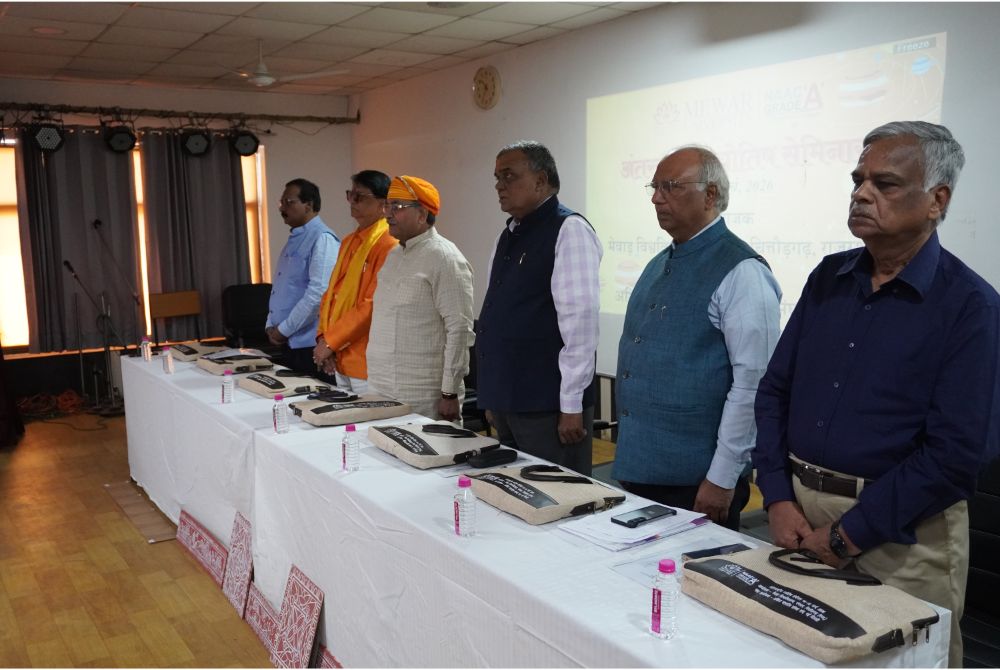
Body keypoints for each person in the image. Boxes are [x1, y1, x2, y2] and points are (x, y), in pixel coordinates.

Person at [753, 121, 1000, 667]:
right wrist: (776, 495)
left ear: (937, 200)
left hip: (904, 535)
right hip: (797, 514)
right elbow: (774, 392)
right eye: (857, 179)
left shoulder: (970, 306)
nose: (861, 193)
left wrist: (847, 535)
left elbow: (955, 455)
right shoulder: (828, 278)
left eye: (884, 183)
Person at [612, 146, 781, 531]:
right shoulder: (660, 262)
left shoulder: (743, 271)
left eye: (670, 186)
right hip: (642, 468)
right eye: (654, 187)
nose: (656, 198)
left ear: (710, 194)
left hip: (697, 481)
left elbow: (753, 384)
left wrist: (722, 477)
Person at [477, 141, 602, 476]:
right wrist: (492, 395)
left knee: (554, 494)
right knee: (515, 490)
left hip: (547, 404)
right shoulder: (509, 233)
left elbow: (580, 324)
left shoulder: (569, 229)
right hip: (509, 398)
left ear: (541, 180)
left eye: (509, 176)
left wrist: (572, 404)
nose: (499, 186)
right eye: (497, 178)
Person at [366, 175, 474, 420]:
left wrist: (449, 393)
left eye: (397, 206)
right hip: (379, 385)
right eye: (387, 205)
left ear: (422, 214)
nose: (388, 214)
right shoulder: (393, 255)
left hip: (421, 394)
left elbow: (459, 330)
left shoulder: (445, 258)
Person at [313, 170, 398, 391]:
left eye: (360, 196)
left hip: (366, 361)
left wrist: (331, 342)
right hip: (339, 357)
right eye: (351, 194)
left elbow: (371, 305)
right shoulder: (349, 241)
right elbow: (331, 295)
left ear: (383, 204)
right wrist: (324, 340)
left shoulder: (389, 244)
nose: (352, 201)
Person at [266, 178, 339, 375]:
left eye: (289, 202)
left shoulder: (322, 238)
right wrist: (271, 325)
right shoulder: (296, 237)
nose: (282, 208)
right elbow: (281, 288)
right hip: (287, 340)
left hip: (309, 345)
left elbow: (318, 294)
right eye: (281, 202)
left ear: (309, 205)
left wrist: (283, 330)